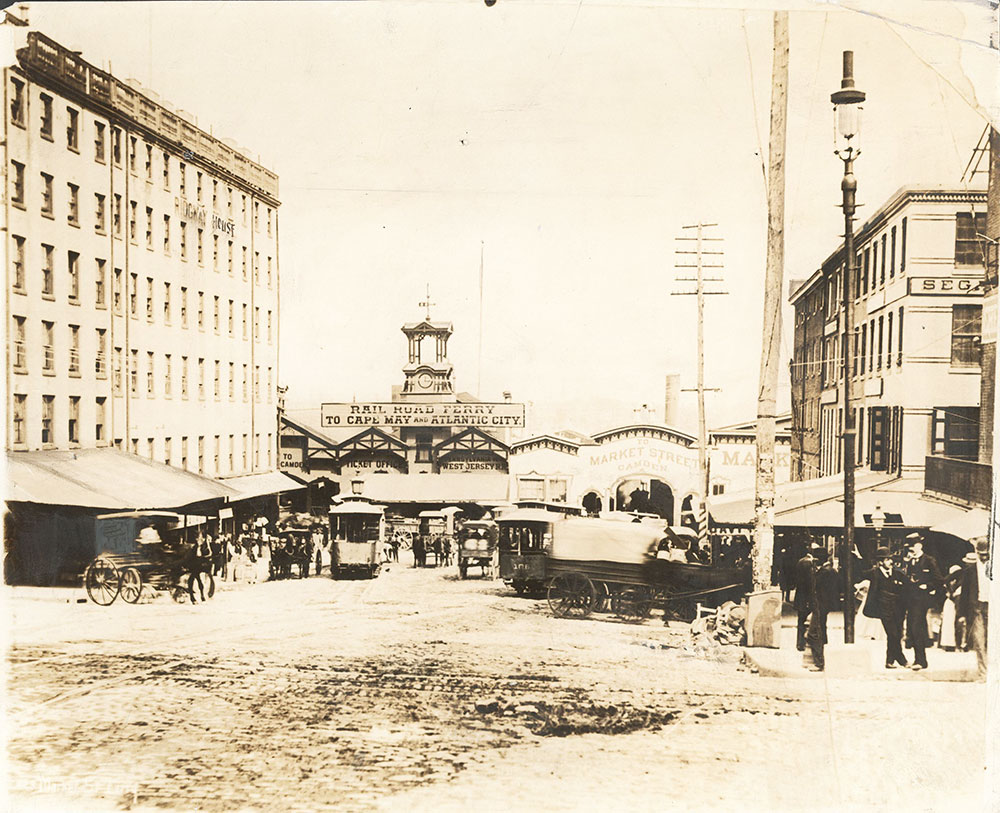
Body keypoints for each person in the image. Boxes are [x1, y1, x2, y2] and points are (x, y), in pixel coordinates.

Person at [858, 547, 909, 668]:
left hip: (898, 610)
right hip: (883, 610)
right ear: (880, 562)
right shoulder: (874, 573)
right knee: (893, 634)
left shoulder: (897, 573)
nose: (890, 562)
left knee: (897, 634)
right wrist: (858, 558)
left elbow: (907, 587)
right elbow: (858, 572)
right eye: (887, 560)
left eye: (890, 559)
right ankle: (902, 660)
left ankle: (889, 661)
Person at [902, 533, 942, 671]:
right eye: (909, 547)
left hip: (921, 600)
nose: (910, 550)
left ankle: (920, 660)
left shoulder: (929, 560)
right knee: (912, 629)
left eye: (912, 546)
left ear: (919, 545)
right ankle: (919, 659)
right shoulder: (908, 561)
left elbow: (938, 580)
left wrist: (928, 586)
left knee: (916, 627)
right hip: (909, 600)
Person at [956, 537, 990, 680]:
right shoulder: (969, 571)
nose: (984, 557)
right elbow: (964, 594)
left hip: (992, 608)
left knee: (994, 641)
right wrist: (961, 614)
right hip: (976, 608)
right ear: (976, 552)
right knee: (979, 640)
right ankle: (983, 674)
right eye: (981, 554)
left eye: (986, 554)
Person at [794, 544, 821, 652]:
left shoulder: (802, 561)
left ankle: (800, 643)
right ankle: (803, 643)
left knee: (801, 621)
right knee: (806, 621)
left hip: (801, 597)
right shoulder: (808, 563)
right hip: (806, 598)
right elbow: (809, 582)